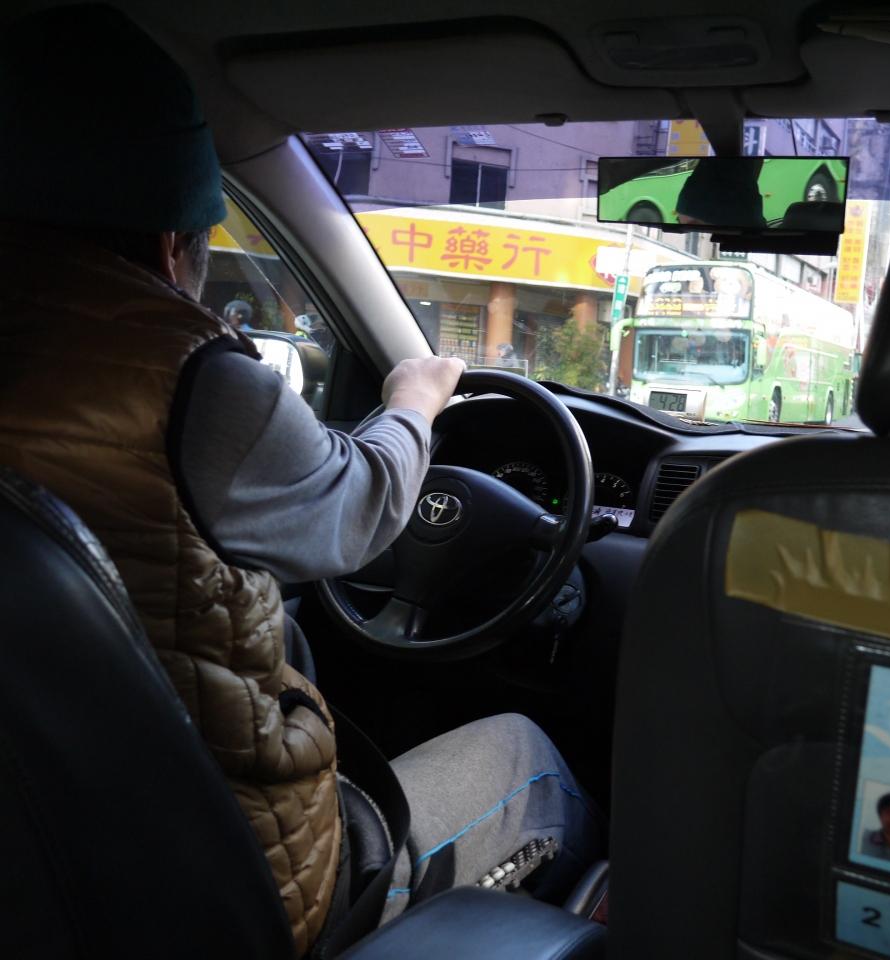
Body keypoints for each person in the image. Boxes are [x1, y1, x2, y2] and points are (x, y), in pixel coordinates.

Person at [0, 6, 599, 956]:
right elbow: (360, 509)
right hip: (229, 885)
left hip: (49, 863)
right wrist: (414, 399)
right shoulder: (191, 380)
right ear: (174, 239)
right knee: (533, 759)